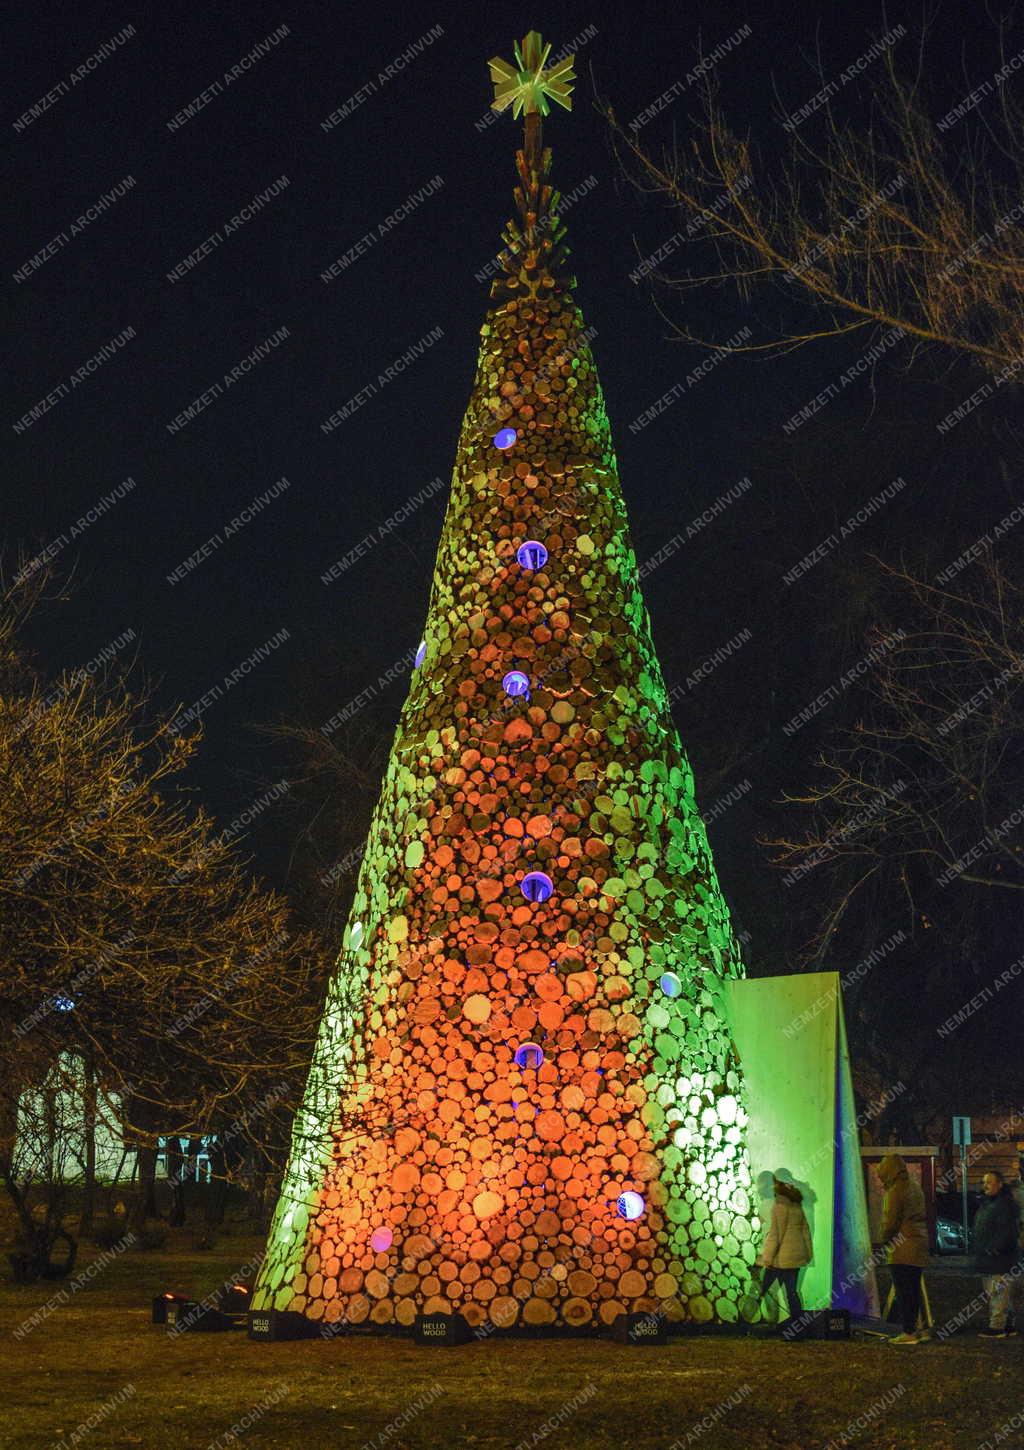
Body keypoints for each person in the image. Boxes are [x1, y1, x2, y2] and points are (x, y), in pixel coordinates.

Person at [877, 1153, 929, 1344]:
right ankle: (916, 1328)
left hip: (902, 1248)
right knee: (913, 1290)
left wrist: (883, 1241)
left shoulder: (895, 1191)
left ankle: (908, 1332)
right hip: (918, 1244)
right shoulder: (915, 1187)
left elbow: (890, 1223)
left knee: (903, 1290)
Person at [973, 1169, 1024, 1339]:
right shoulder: (990, 1203)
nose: (985, 1185)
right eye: (983, 1182)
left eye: (989, 1182)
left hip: (999, 1258)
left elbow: (1007, 1231)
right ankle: (1008, 1324)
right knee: (1001, 1293)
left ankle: (997, 1327)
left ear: (999, 1185)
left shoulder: (1004, 1205)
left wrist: (994, 1248)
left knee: (997, 1292)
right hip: (992, 1257)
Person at [757, 1176, 812, 1328]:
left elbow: (775, 1235)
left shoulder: (779, 1207)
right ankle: (798, 1326)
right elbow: (806, 1231)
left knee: (765, 1288)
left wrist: (767, 1258)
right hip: (796, 1257)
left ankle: (752, 1319)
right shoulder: (797, 1206)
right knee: (792, 1292)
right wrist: (808, 1253)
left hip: (783, 1258)